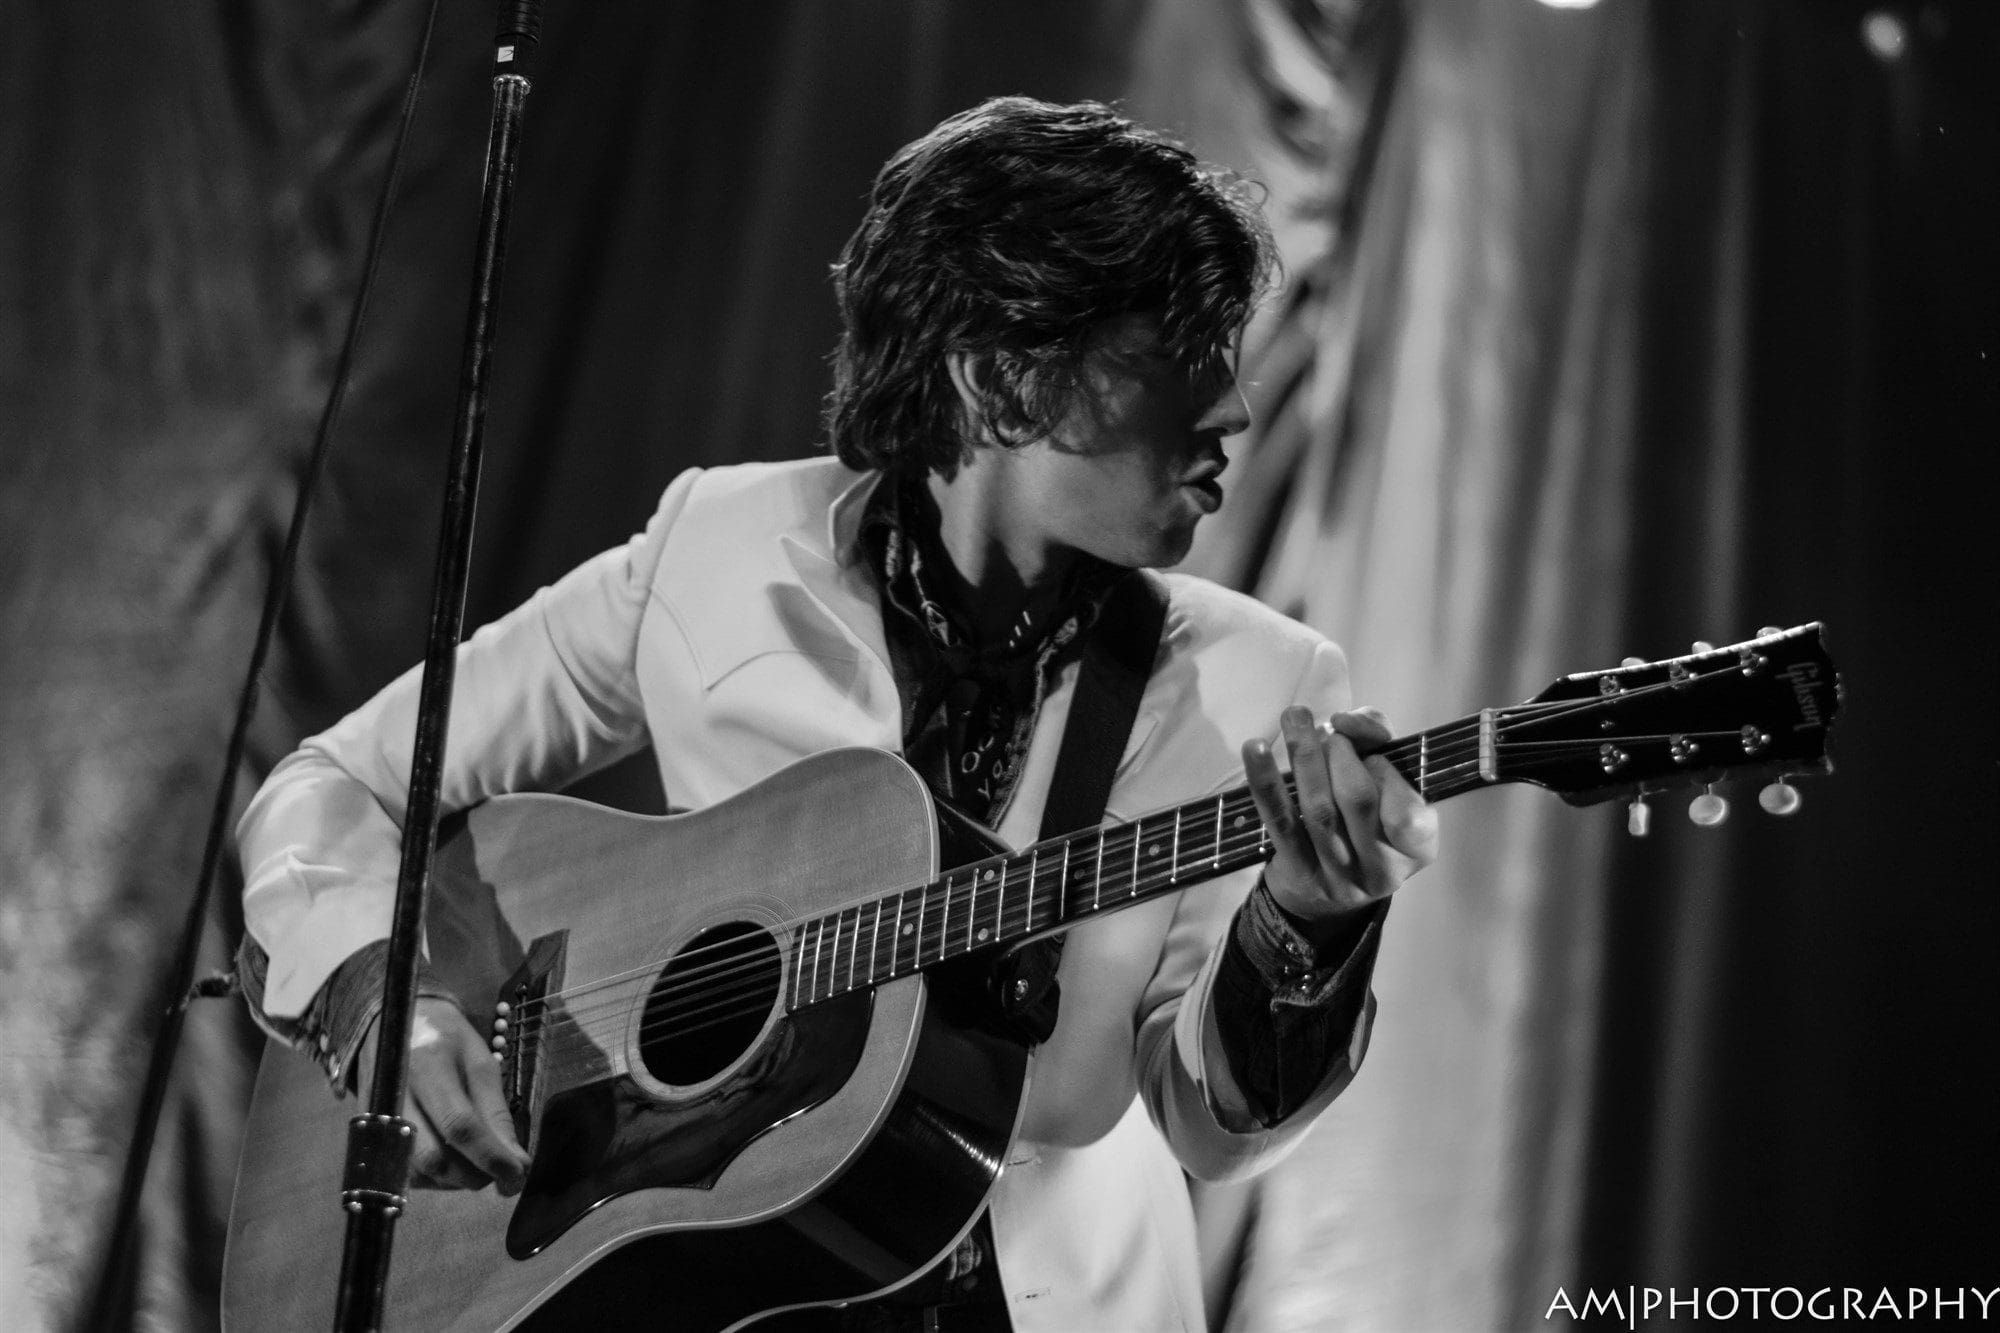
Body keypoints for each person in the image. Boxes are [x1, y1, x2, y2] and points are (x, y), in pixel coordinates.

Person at [234, 96, 1437, 1332]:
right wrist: (382, 999)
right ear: (998, 379)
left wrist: (1310, 927)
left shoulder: (1258, 681)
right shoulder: (713, 548)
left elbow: (1212, 1126)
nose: (1231, 408)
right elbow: (335, 783)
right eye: (1176, 351)